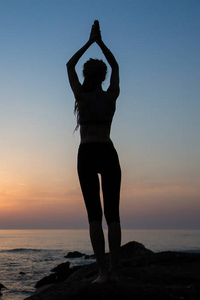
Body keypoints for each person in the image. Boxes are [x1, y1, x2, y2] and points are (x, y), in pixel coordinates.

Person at [66, 20, 121, 284]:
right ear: (103, 76)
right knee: (113, 216)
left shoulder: (82, 97)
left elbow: (68, 65)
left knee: (94, 217)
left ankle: (102, 273)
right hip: (108, 151)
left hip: (87, 153)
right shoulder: (110, 96)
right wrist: (100, 42)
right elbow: (117, 66)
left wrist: (89, 41)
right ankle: (114, 271)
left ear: (87, 75)